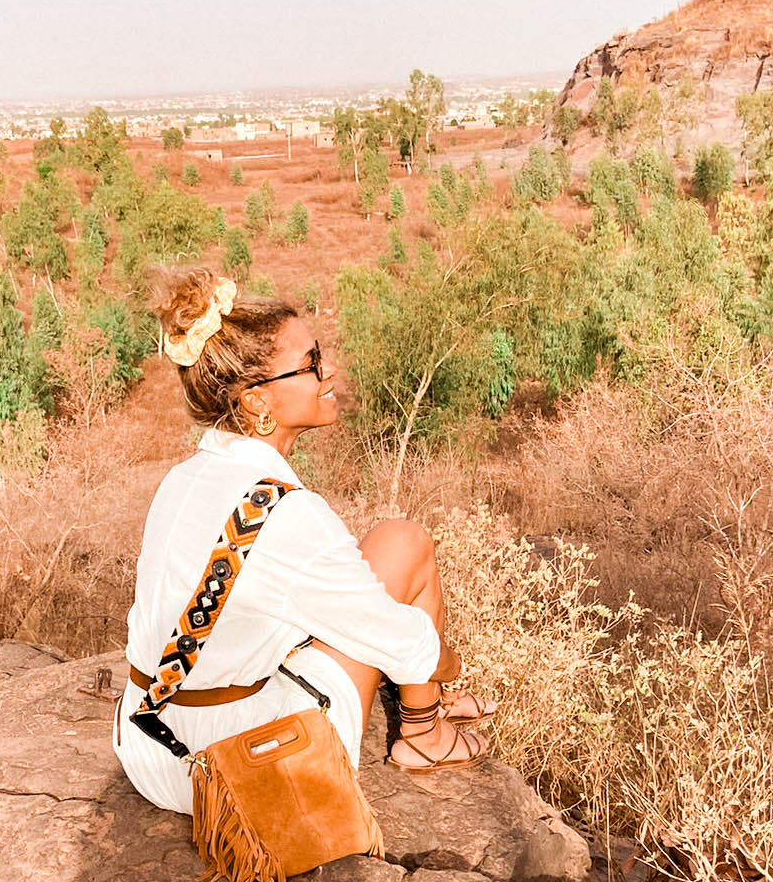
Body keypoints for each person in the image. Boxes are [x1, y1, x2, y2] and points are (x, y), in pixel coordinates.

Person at [112, 267, 493, 817]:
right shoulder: (285, 514)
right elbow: (405, 645)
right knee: (403, 542)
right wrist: (448, 665)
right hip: (235, 766)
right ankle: (425, 735)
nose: (328, 371)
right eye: (311, 363)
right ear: (255, 402)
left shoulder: (183, 478)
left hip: (149, 745)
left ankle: (426, 724)